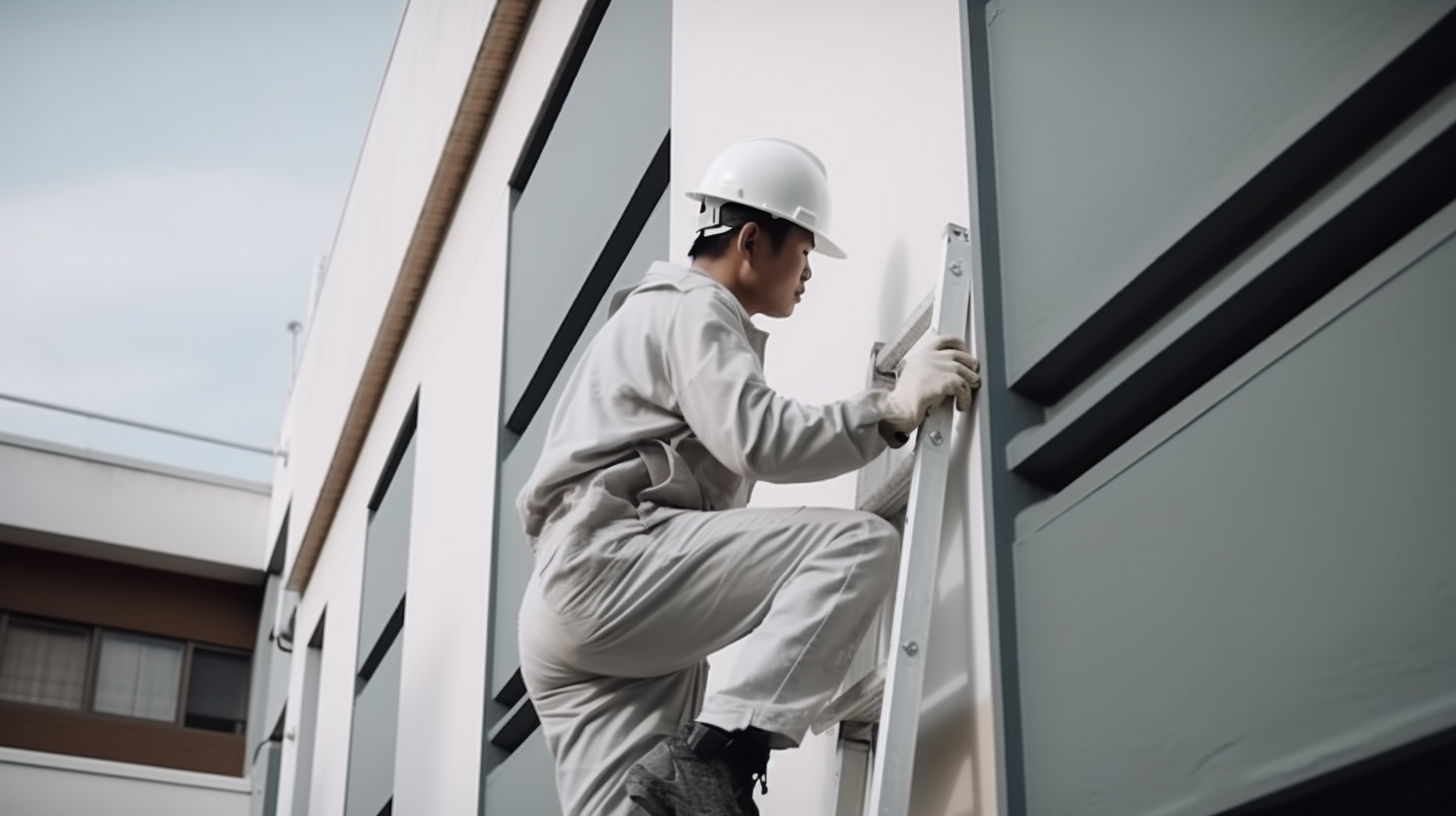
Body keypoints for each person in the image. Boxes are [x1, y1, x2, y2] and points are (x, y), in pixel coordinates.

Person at [516, 137, 980, 816]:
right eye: (805, 250)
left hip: (574, 614)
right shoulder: (692, 306)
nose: (809, 272)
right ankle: (722, 754)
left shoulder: (655, 316)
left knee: (637, 809)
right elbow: (759, 438)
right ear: (754, 241)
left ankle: (702, 765)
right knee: (856, 547)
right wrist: (891, 410)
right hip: (610, 566)